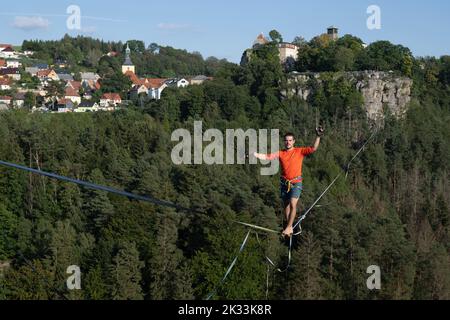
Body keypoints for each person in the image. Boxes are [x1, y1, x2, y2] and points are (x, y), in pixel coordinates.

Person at [254, 127, 324, 237]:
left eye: (290, 140)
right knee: (285, 206)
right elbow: (268, 157)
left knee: (292, 203)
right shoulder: (281, 153)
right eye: (286, 140)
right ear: (284, 141)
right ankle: (289, 227)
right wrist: (255, 155)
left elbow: (313, 148)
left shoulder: (299, 151)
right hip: (285, 183)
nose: (288, 142)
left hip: (296, 182)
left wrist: (318, 136)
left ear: (294, 141)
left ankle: (288, 227)